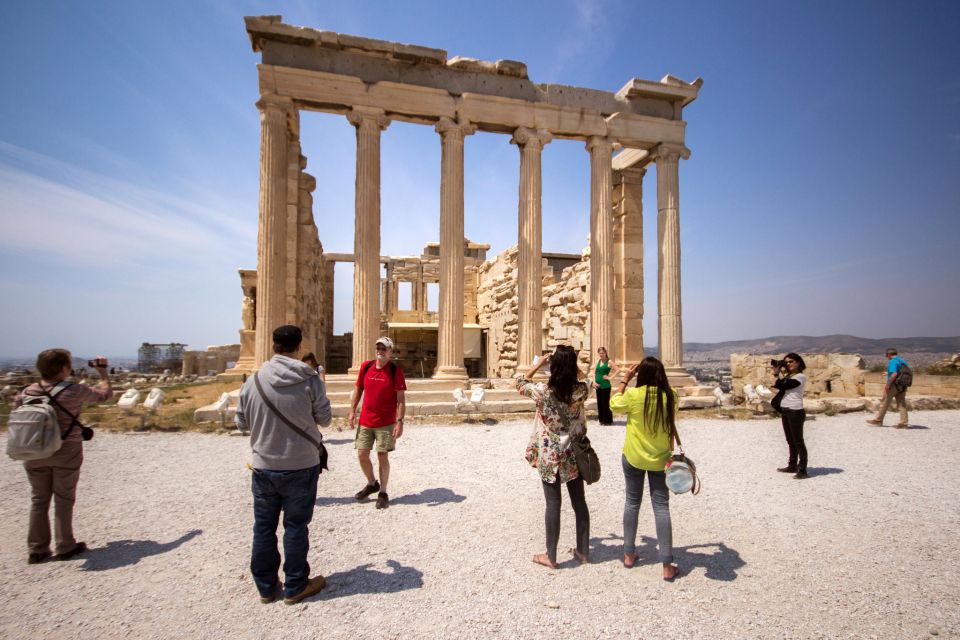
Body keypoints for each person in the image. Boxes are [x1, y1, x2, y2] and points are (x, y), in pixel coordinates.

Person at [236, 325, 332, 605]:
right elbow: (324, 419)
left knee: (263, 527)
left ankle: (266, 587)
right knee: (295, 526)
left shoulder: (252, 381)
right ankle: (295, 585)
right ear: (299, 346)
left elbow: (241, 423)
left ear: (273, 345)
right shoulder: (309, 379)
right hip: (302, 463)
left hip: (264, 464)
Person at [14, 348, 112, 564]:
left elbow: (17, 416)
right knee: (64, 498)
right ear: (63, 368)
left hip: (34, 450)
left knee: (39, 499)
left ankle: (37, 549)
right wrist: (103, 373)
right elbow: (104, 395)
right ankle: (65, 545)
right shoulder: (73, 390)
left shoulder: (26, 392)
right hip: (66, 450)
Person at [517, 345, 591, 569]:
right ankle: (583, 551)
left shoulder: (542, 392)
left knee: (553, 503)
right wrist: (572, 365)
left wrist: (539, 364)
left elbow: (520, 382)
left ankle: (551, 555)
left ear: (553, 366)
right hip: (573, 452)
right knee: (579, 502)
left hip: (550, 453)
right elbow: (589, 380)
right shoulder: (581, 391)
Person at [610, 356, 680, 581]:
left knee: (632, 502)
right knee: (661, 507)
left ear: (641, 375)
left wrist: (625, 380)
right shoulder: (671, 397)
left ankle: (629, 553)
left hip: (634, 457)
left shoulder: (633, 395)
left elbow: (614, 404)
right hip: (660, 460)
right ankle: (667, 564)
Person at [348, 336, 407, 510]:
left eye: (384, 348)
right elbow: (358, 389)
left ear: (390, 352)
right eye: (378, 348)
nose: (380, 351)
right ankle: (372, 483)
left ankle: (383, 491)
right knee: (362, 454)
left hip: (386, 422)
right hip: (366, 420)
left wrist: (400, 421)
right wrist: (352, 411)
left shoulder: (395, 371)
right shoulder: (366, 367)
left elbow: (401, 399)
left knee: (382, 456)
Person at [770, 353, 809, 479]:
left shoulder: (800, 377)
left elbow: (784, 385)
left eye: (791, 361)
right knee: (790, 441)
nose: (788, 364)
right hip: (786, 410)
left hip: (795, 410)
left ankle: (802, 470)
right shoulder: (789, 376)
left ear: (798, 362)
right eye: (786, 362)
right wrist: (777, 372)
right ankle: (792, 465)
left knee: (798, 441)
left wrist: (777, 374)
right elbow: (776, 385)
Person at [867, 348, 909, 428]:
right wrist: (888, 373)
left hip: (894, 385)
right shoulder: (902, 361)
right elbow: (901, 372)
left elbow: (894, 374)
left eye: (886, 355)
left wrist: (888, 384)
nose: (886, 356)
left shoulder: (893, 361)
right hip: (902, 385)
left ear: (889, 354)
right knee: (901, 404)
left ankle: (878, 420)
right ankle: (903, 423)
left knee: (884, 402)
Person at [592, 346, 620, 425]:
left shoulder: (609, 361)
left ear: (606, 353)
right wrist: (594, 382)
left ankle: (608, 420)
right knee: (600, 403)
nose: (601, 354)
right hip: (598, 385)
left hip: (606, 385)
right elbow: (594, 373)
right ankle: (601, 420)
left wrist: (610, 377)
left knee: (605, 403)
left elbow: (618, 370)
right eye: (600, 353)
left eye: (603, 353)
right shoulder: (598, 361)